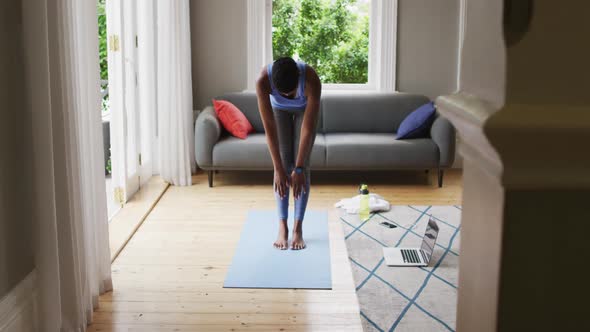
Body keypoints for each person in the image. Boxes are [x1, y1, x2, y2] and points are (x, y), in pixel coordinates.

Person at [255, 57, 322, 250]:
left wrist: (299, 168)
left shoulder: (311, 80)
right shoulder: (262, 81)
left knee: (303, 166)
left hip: (304, 111)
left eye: (291, 93)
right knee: (283, 165)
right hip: (278, 111)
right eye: (282, 93)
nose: (288, 96)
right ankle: (282, 226)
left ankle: (297, 228)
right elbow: (269, 129)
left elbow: (307, 129)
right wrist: (277, 169)